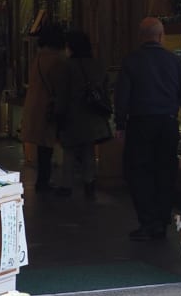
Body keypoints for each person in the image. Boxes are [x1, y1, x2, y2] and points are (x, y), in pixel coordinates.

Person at [114, 17, 181, 241]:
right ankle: (161, 221)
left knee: (138, 172)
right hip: (168, 124)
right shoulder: (174, 62)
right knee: (166, 172)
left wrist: (120, 124)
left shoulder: (131, 61)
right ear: (161, 36)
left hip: (140, 124)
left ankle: (147, 221)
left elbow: (122, 96)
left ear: (141, 37)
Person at [55, 29, 113, 199]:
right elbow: (105, 89)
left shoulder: (67, 67)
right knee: (89, 151)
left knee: (70, 151)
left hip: (73, 115)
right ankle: (89, 184)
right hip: (93, 116)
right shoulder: (97, 65)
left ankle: (67, 186)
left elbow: (62, 94)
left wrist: (59, 115)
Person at [20, 22, 66, 192]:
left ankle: (43, 180)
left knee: (43, 147)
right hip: (49, 108)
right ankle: (46, 181)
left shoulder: (38, 58)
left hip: (37, 108)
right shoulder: (58, 60)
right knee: (48, 146)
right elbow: (60, 86)